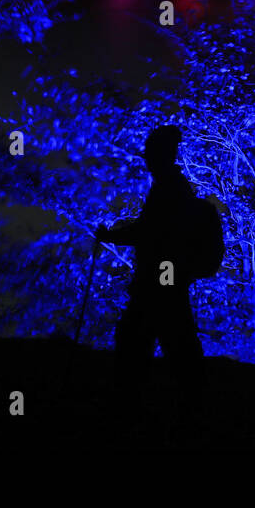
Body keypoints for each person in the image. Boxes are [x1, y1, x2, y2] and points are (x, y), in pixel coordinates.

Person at [97, 125, 204, 395]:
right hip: (168, 277)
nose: (145, 157)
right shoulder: (173, 187)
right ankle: (192, 396)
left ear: (160, 154)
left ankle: (132, 398)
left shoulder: (168, 188)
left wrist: (112, 236)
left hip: (159, 279)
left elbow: (151, 232)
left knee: (142, 337)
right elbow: (154, 229)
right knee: (172, 338)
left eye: (150, 152)